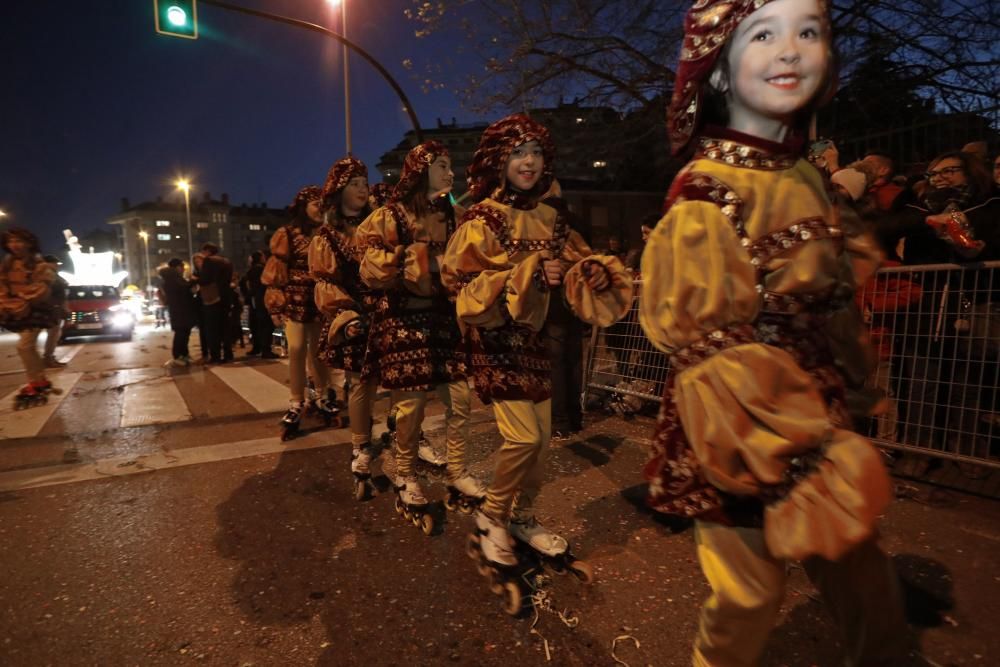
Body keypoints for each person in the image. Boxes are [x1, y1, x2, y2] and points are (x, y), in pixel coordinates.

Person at [639, 1, 909, 664]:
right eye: (765, 34)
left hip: (815, 404)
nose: (791, 50)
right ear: (721, 72)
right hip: (737, 416)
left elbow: (837, 298)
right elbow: (700, 334)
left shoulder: (808, 180)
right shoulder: (705, 188)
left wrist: (854, 377)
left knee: (861, 572)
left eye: (808, 32)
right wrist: (783, 437)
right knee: (749, 593)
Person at [441, 114, 633, 570]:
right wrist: (526, 273)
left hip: (533, 341)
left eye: (535, 152)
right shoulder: (482, 219)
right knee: (523, 439)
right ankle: (491, 518)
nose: (528, 162)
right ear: (498, 160)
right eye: (517, 153)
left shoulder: (553, 217)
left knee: (543, 442)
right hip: (493, 340)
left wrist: (592, 272)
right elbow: (463, 290)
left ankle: (523, 517)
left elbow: (580, 266)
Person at [358, 141, 485, 522]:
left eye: (451, 166)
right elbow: (369, 266)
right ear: (419, 172)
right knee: (410, 407)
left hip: (444, 319)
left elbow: (475, 259)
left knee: (460, 399)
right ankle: (406, 472)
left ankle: (458, 470)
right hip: (403, 320)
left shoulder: (458, 216)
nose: (451, 173)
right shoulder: (388, 217)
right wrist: (414, 260)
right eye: (442, 166)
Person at [308, 156, 381, 494]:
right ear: (339, 191)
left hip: (386, 311)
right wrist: (347, 316)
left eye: (364, 183)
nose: (363, 189)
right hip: (355, 317)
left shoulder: (379, 226)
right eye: (354, 184)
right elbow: (325, 282)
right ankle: (360, 444)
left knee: (401, 378)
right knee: (360, 382)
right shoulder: (327, 237)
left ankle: (406, 435)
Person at [268, 186, 336, 433]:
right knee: (296, 349)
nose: (320, 208)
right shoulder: (287, 233)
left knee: (319, 351)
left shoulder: (327, 234)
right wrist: (275, 303)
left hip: (319, 299)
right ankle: (296, 401)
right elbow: (276, 269)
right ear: (303, 207)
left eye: (322, 204)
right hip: (294, 300)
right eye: (315, 204)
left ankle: (323, 396)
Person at [0, 228, 59, 404]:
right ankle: (40, 380)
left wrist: (22, 299)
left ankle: (35, 381)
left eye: (19, 241)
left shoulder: (39, 265)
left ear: (29, 243)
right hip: (15, 310)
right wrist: (6, 302)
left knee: (24, 346)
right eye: (10, 241)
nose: (14, 245)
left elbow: (42, 289)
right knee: (29, 347)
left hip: (35, 311)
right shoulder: (7, 264)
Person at [159, 258, 197, 367]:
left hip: (183, 309)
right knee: (181, 333)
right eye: (182, 267)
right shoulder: (172, 279)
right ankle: (177, 356)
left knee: (185, 332)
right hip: (179, 310)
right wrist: (192, 281)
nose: (183, 269)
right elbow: (182, 289)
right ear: (176, 267)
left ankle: (184, 354)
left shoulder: (176, 278)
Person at [241, 251, 275, 357]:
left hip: (255, 300)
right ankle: (266, 350)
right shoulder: (261, 269)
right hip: (262, 299)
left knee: (256, 324)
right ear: (260, 258)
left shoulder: (250, 271)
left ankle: (257, 347)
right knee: (266, 325)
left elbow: (243, 283)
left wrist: (247, 295)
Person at [42, 254, 68, 368]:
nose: (57, 265)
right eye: (55, 263)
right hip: (51, 310)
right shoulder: (46, 274)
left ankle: (49, 357)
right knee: (52, 335)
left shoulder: (53, 274)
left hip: (56, 309)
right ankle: (48, 359)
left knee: (55, 335)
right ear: (47, 263)